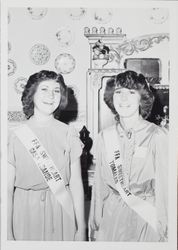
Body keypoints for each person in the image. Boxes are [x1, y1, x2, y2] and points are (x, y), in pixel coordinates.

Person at [89, 70, 168, 242]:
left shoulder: (157, 135)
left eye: (131, 92)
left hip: (146, 218)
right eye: (119, 92)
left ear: (142, 98)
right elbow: (99, 187)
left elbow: (165, 190)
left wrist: (164, 228)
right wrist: (95, 225)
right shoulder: (104, 137)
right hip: (112, 217)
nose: (123, 99)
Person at [8, 70, 86, 241]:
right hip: (25, 212)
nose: (51, 96)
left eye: (56, 90)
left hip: (62, 210)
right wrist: (6, 232)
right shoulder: (14, 136)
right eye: (44, 89)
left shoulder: (68, 133)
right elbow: (6, 191)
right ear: (32, 93)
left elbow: (76, 185)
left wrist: (81, 228)